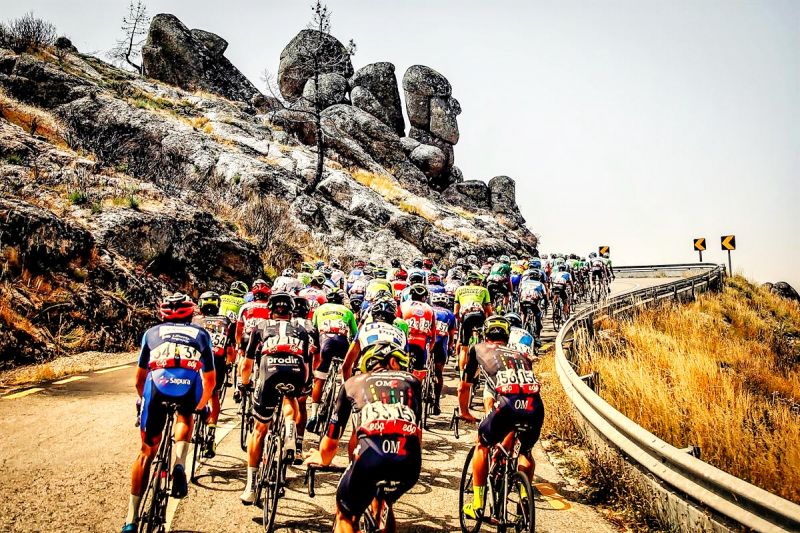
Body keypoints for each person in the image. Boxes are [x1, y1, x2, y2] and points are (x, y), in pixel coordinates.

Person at [121, 294, 215, 533]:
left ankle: (131, 519)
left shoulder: (151, 333)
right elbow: (210, 381)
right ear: (191, 313)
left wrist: (143, 401)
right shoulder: (201, 335)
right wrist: (201, 405)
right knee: (186, 417)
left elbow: (139, 379)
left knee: (145, 453)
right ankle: (180, 464)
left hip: (157, 388)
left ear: (162, 313)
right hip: (188, 387)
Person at [304, 342, 421, 533]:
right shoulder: (412, 382)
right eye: (400, 362)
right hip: (409, 463)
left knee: (345, 515)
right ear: (392, 362)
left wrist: (322, 458)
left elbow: (332, 442)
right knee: (384, 501)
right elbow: (417, 434)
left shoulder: (352, 383)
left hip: (370, 460)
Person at [459, 316, 544, 520]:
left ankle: (478, 504)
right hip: (535, 406)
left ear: (485, 335)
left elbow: (464, 386)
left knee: (482, 445)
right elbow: (522, 392)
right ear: (507, 337)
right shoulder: (521, 354)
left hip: (507, 404)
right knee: (526, 451)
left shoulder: (478, 348)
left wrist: (464, 412)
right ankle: (524, 499)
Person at [238, 293, 311, 504]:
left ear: (271, 310)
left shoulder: (261, 326)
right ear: (291, 311)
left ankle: (251, 486)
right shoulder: (301, 329)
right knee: (290, 397)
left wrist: (244, 384)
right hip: (295, 370)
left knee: (260, 429)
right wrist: (303, 386)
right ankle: (290, 428)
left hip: (269, 371)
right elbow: (306, 366)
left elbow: (246, 363)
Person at [306, 288, 358, 434]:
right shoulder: (347, 311)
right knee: (346, 372)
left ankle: (314, 414)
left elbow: (313, 329)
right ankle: (345, 399)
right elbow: (355, 334)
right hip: (342, 343)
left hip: (325, 343)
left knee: (319, 379)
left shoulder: (320, 309)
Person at [193, 291, 236, 458]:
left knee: (192, 393)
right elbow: (231, 350)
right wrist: (229, 365)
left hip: (196, 361)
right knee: (214, 395)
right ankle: (211, 431)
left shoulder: (194, 321)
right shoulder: (226, 321)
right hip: (217, 362)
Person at [342, 296, 408, 380]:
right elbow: (406, 362)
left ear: (373, 316)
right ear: (394, 318)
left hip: (371, 368)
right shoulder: (401, 332)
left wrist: (347, 388)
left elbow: (346, 365)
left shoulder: (364, 329)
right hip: (395, 373)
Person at [453, 271, 493, 375]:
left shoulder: (460, 289)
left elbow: (455, 312)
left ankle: (462, 375)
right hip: (479, 316)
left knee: (464, 348)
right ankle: (480, 369)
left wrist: (460, 320)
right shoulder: (484, 290)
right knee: (484, 342)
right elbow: (489, 310)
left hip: (466, 317)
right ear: (479, 281)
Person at [399, 284, 437, 380]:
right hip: (422, 343)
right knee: (420, 370)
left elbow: (396, 323)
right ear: (425, 297)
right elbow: (433, 332)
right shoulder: (430, 309)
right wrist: (431, 345)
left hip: (405, 341)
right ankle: (418, 388)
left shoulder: (403, 306)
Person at [430, 292, 456, 414]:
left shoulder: (428, 309)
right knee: (439, 373)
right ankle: (436, 402)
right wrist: (450, 347)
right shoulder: (449, 314)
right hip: (440, 345)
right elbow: (451, 336)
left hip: (428, 343)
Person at [519, 270, 546, 344]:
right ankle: (537, 335)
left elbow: (519, 292)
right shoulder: (540, 284)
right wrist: (546, 304)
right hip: (533, 302)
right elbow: (545, 296)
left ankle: (522, 326)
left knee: (523, 313)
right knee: (538, 314)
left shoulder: (523, 283)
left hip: (523, 301)